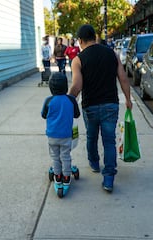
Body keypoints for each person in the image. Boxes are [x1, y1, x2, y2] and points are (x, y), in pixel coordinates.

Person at [68, 24, 133, 192]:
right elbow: (123, 79)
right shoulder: (112, 54)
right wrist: (128, 99)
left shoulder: (78, 60)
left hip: (90, 106)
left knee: (91, 137)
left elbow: (77, 85)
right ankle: (109, 178)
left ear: (80, 40)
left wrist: (67, 102)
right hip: (111, 104)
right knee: (109, 141)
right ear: (95, 37)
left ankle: (95, 163)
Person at [41, 72, 80, 190]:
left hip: (52, 135)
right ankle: (67, 177)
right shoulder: (71, 100)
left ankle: (57, 176)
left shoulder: (48, 101)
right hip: (66, 135)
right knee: (66, 156)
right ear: (65, 86)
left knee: (55, 157)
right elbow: (77, 115)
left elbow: (44, 115)